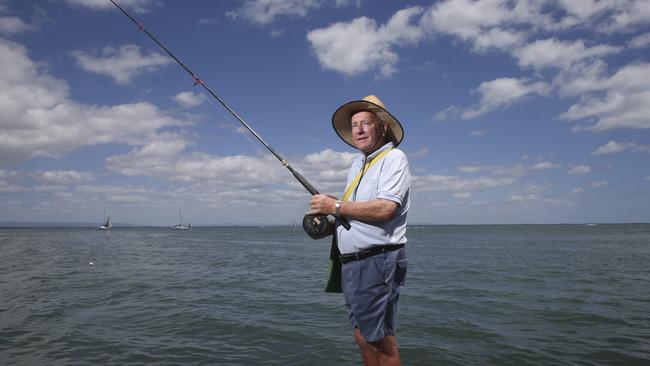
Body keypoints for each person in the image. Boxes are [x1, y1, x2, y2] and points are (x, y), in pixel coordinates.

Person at [308, 95, 411, 366]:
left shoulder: (394, 158)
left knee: (381, 342)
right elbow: (354, 212)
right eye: (355, 125)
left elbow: (386, 209)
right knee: (363, 336)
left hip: (378, 260)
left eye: (366, 123)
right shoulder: (357, 165)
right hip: (352, 264)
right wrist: (328, 226)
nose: (359, 130)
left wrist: (334, 205)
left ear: (382, 127)